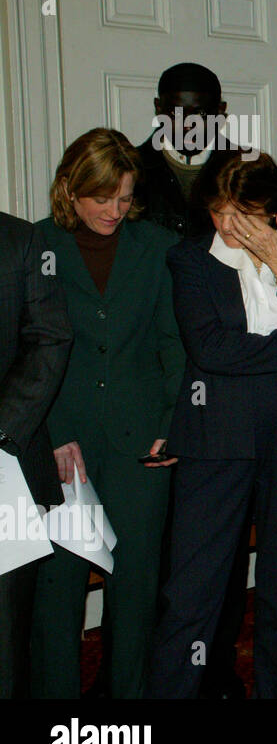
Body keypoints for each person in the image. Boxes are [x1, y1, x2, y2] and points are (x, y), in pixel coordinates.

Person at [150, 153, 277, 699]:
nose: (228, 226)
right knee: (193, 590)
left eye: (243, 214)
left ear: (271, 210)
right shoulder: (189, 259)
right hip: (215, 438)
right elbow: (212, 348)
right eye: (218, 212)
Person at [27, 129, 183, 699]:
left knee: (137, 593)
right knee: (58, 593)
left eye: (124, 197)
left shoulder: (159, 247)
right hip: (60, 447)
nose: (114, 211)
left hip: (143, 446)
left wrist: (172, 427)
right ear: (70, 190)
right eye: (101, 199)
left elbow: (174, 347)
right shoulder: (35, 246)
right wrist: (52, 433)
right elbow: (26, 353)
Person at [0, 211, 72, 699]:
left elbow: (50, 338)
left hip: (7, 464)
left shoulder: (20, 240)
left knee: (5, 636)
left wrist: (3, 430)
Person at [134, 62, 242, 239]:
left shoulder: (249, 169)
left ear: (220, 112)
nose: (188, 124)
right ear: (158, 108)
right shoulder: (131, 168)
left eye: (200, 114)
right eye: (176, 113)